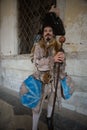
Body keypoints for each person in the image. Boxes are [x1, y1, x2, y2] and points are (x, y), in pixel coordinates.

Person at [31, 6, 66, 130]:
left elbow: (62, 66)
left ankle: (49, 119)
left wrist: (61, 62)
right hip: (39, 80)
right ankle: (34, 127)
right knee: (37, 106)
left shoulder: (58, 46)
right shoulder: (38, 46)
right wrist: (52, 59)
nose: (47, 32)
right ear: (43, 33)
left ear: (53, 33)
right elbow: (37, 63)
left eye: (50, 30)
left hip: (54, 81)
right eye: (45, 30)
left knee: (52, 101)